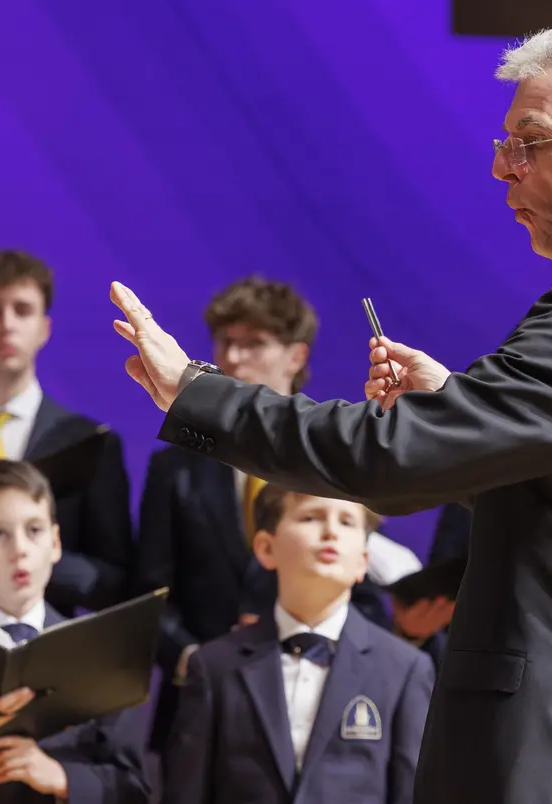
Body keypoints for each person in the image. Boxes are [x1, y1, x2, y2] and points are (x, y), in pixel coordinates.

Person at [110, 12, 552, 803]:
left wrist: (196, 390)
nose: (501, 167)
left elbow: (388, 464)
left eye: (528, 142)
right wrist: (464, 410)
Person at [134, 275, 394, 755]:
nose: (232, 359)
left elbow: (364, 592)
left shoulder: (334, 453)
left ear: (296, 356)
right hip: (198, 707)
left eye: (254, 344)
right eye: (225, 343)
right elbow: (150, 590)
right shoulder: (174, 467)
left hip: (320, 706)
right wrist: (195, 658)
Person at [162, 485, 432, 804]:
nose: (331, 531)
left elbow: (411, 791)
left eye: (347, 522)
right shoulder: (215, 665)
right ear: (266, 548)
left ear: (363, 561)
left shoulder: (403, 668)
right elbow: (187, 791)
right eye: (310, 517)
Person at [0, 459, 150, 804]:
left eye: (33, 530)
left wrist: (63, 778)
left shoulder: (101, 654)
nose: (19, 549)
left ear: (55, 542)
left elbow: (134, 789)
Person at [0, 250, 134, 615]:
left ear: (44, 329)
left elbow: (114, 578)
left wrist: (25, 554)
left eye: (22, 309)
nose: (7, 325)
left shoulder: (88, 441)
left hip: (53, 643)